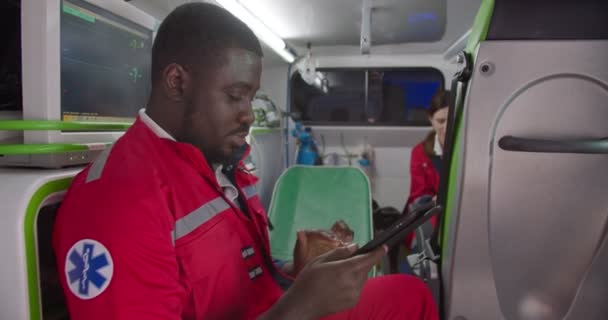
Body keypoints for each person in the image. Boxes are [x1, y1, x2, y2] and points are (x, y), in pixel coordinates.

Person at [53, 3, 438, 320]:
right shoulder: (118, 204)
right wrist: (298, 307)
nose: (250, 115)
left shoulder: (221, 163)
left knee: (409, 295)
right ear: (176, 82)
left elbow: (247, 281)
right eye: (236, 96)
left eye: (251, 98)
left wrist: (300, 274)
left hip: (273, 307)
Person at [403, 89, 450, 247]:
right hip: (432, 214)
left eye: (452, 120)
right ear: (431, 120)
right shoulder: (420, 152)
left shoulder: (469, 149)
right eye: (441, 121)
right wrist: (434, 200)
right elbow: (418, 195)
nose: (446, 127)